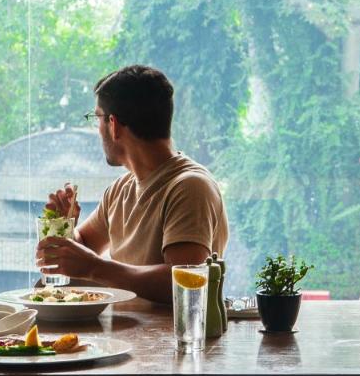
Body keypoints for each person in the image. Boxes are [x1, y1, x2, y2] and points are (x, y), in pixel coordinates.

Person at [36, 64, 229, 306]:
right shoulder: (120, 189)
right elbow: (83, 246)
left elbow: (185, 280)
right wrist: (65, 228)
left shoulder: (190, 187)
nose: (97, 129)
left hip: (171, 343)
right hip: (123, 341)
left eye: (97, 118)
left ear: (113, 124)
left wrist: (95, 268)